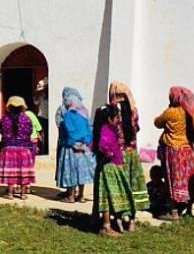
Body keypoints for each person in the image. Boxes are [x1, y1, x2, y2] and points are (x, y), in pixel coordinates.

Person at [154, 86, 194, 220]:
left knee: (172, 179)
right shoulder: (191, 113)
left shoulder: (171, 112)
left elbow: (157, 123)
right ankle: (189, 209)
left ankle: (174, 211)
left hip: (174, 150)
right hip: (188, 150)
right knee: (189, 179)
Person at [107, 81, 149, 222]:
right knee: (132, 184)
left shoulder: (112, 113)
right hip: (132, 154)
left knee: (120, 187)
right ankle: (131, 220)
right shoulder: (133, 112)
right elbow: (136, 128)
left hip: (119, 155)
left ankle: (118, 218)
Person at [93, 105, 133, 238]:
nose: (119, 120)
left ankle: (108, 223)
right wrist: (109, 154)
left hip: (111, 167)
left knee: (111, 197)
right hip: (108, 169)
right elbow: (103, 146)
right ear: (109, 119)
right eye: (116, 117)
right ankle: (105, 227)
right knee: (106, 197)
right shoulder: (106, 131)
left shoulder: (110, 130)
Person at [55, 87, 94, 203]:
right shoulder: (85, 112)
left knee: (71, 170)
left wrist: (73, 144)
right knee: (81, 171)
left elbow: (68, 131)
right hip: (84, 147)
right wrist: (85, 143)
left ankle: (71, 196)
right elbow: (89, 129)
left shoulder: (67, 114)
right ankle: (81, 196)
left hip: (71, 148)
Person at [0, 96, 37, 199]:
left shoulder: (4, 118)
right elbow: (30, 131)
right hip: (24, 149)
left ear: (9, 107)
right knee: (22, 171)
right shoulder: (27, 119)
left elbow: (1, 131)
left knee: (11, 170)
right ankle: (23, 194)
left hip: (8, 149)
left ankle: (10, 193)